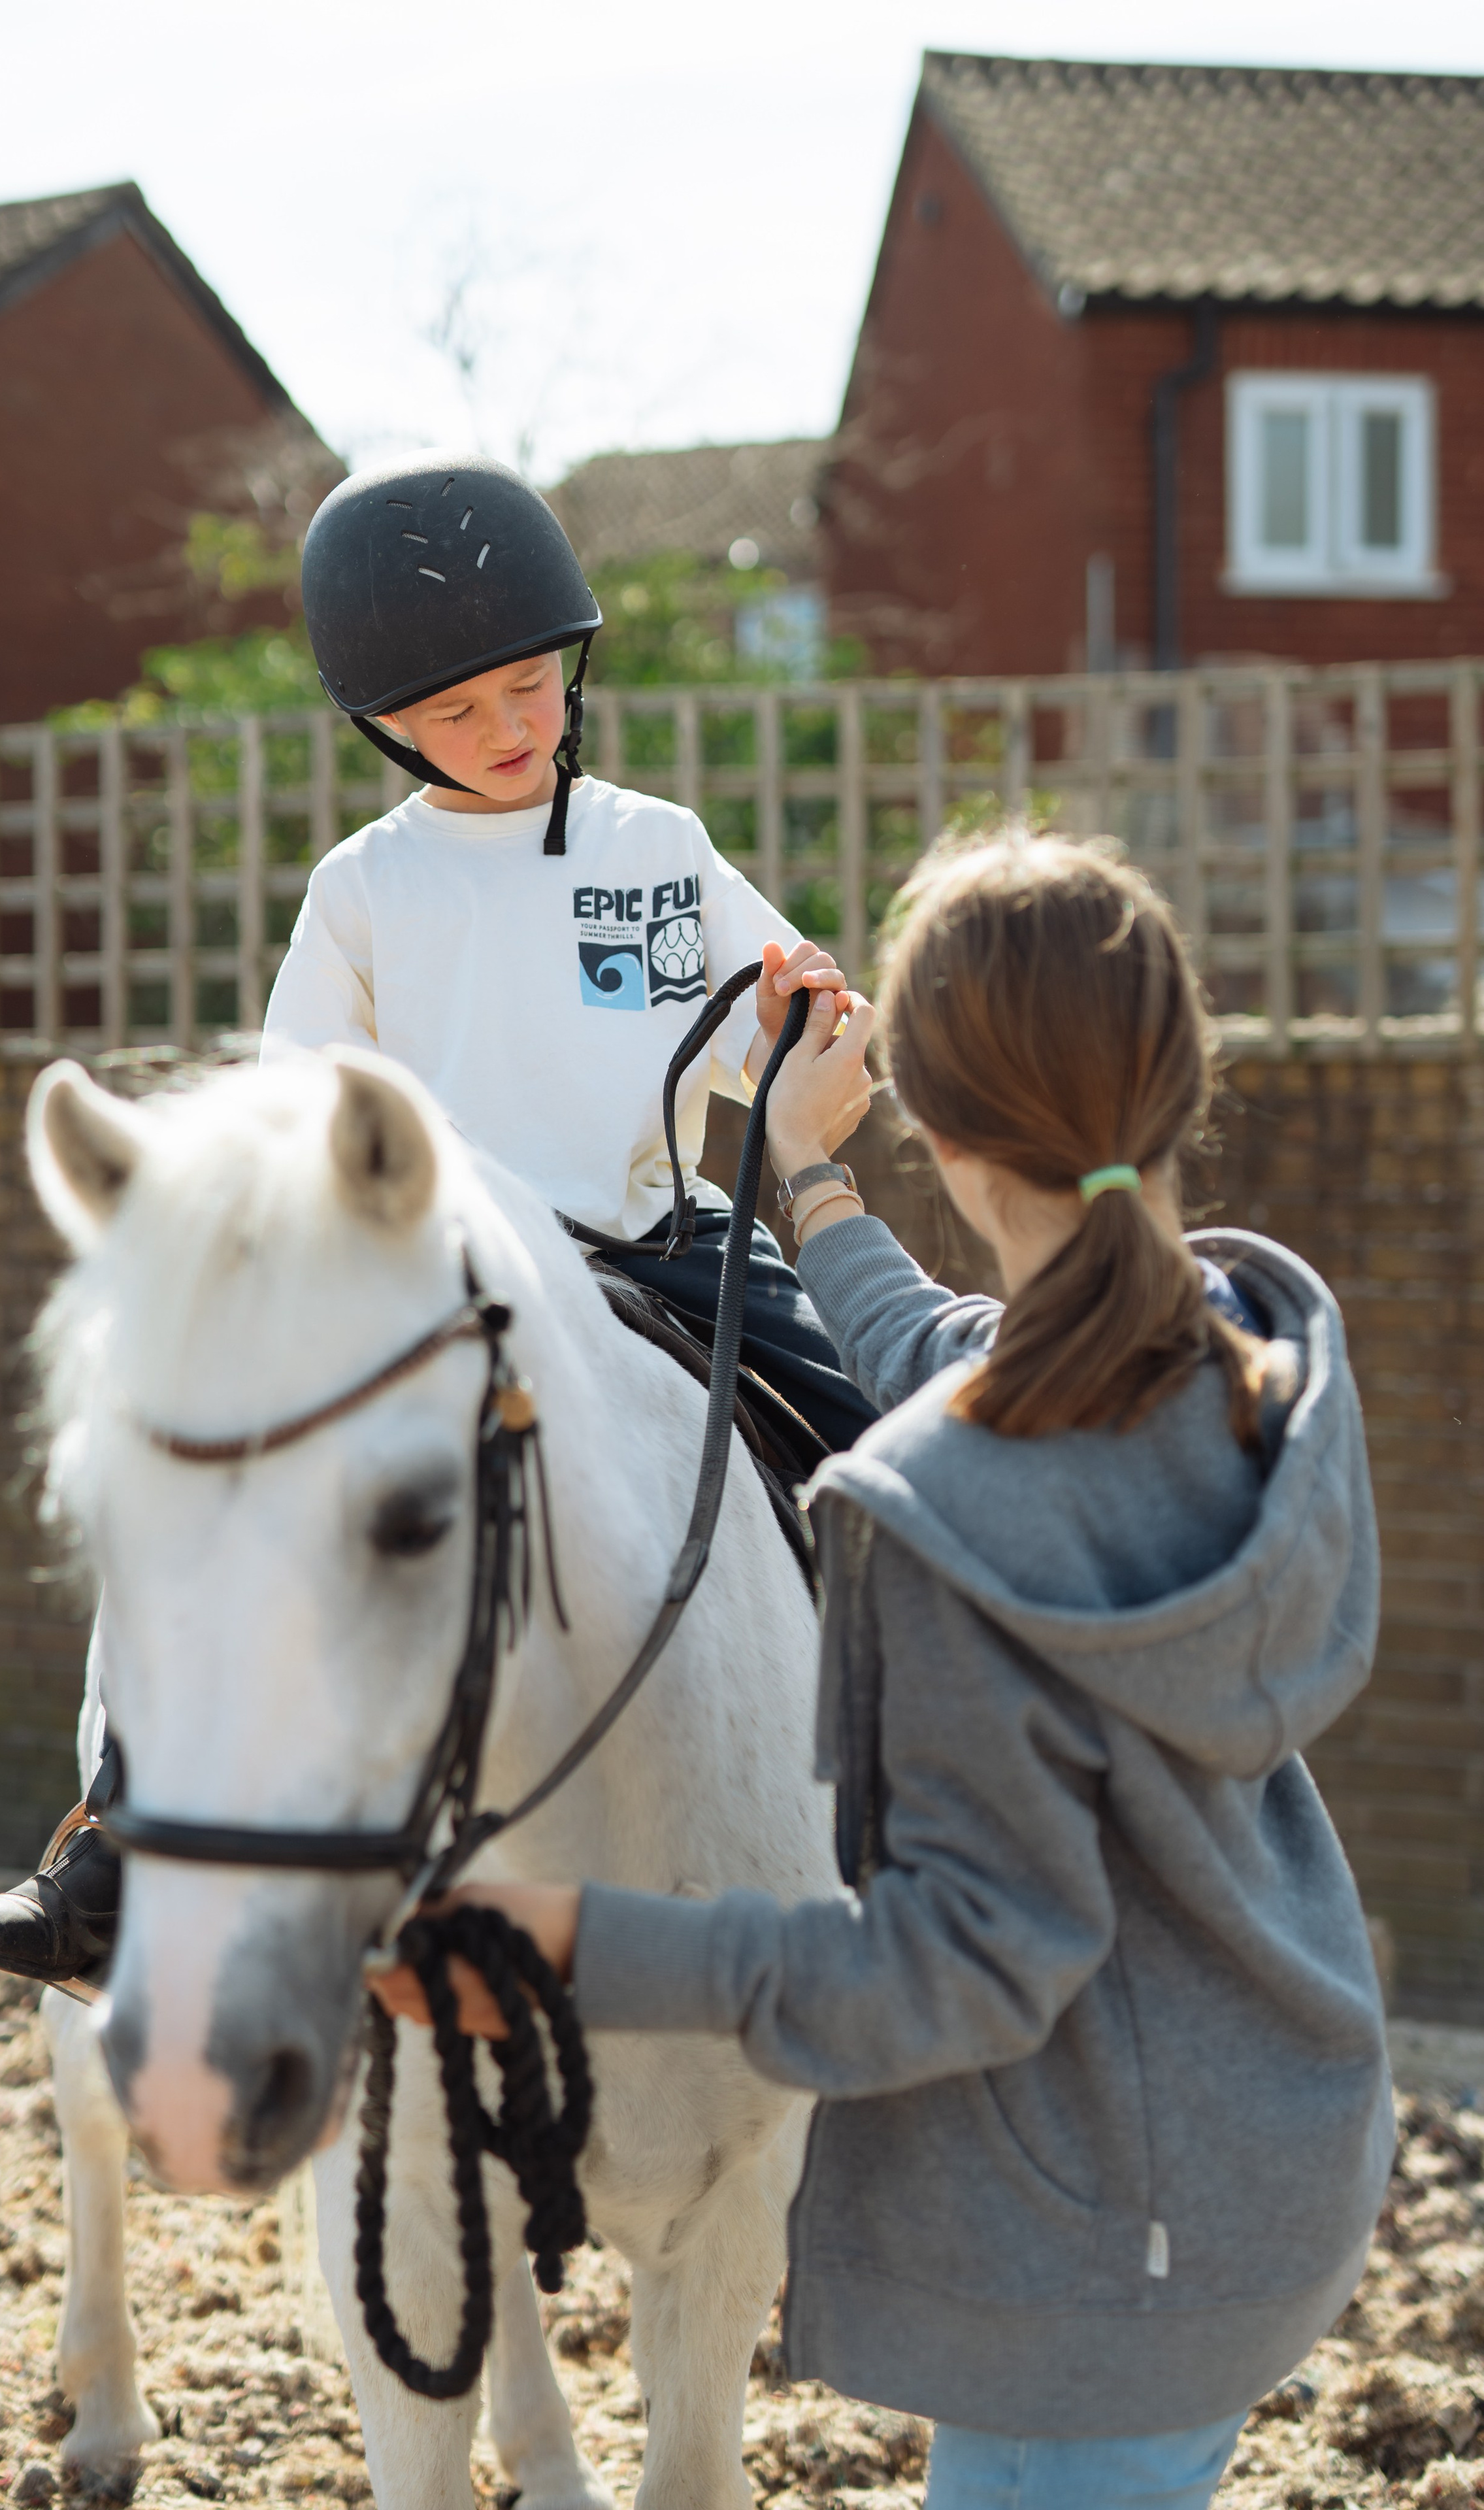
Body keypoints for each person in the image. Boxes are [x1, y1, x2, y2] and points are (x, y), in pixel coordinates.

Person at [383, 836, 1395, 2510]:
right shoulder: (1242, 1359)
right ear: (1175, 1077)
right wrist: (808, 1190)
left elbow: (950, 1976)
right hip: (1278, 2154)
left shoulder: (943, 1518)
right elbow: (967, 1356)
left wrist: (577, 1946)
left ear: (926, 1112)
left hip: (1089, 2271)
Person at [0, 448, 876, 1989]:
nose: (507, 730)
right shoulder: (363, 890)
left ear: (571, 667)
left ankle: (950, 1789)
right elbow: (299, 1109)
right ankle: (110, 1840)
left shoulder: (660, 848)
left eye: (528, 688)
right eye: (455, 712)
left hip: (661, 1241)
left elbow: (792, 1024)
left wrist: (812, 1019)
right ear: (382, 724)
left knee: (879, 1425)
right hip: (440, 1268)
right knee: (196, 1473)